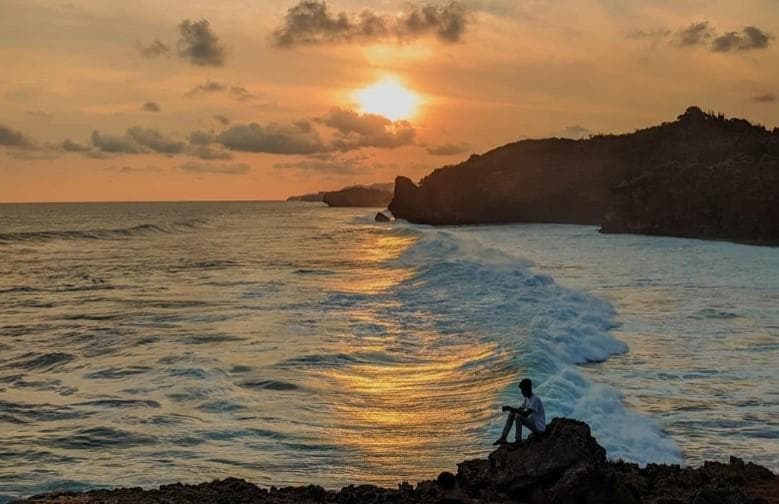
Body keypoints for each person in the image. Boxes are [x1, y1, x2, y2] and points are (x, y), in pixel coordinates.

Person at [494, 378, 545, 445]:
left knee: (519, 417)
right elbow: (520, 409)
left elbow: (526, 414)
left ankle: (518, 440)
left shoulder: (535, 399)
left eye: (523, 390)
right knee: (512, 414)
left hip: (539, 428)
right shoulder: (527, 399)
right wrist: (510, 410)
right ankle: (503, 437)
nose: (522, 392)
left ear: (528, 389)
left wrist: (510, 408)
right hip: (533, 425)